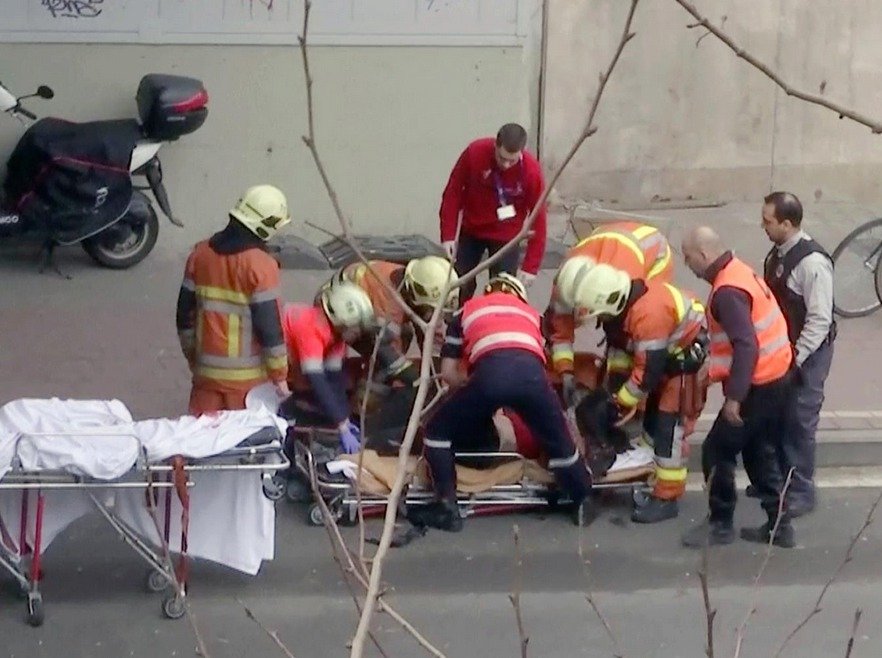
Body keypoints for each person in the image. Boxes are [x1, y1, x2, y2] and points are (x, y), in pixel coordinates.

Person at [414, 273, 593, 532]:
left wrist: (471, 390)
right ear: (519, 296)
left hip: (489, 379)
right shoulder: (531, 314)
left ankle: (447, 506)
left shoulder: (466, 311)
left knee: (437, 433)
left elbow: (450, 375)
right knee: (560, 442)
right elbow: (530, 357)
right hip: (533, 379)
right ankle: (582, 499)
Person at [679, 227, 796, 548]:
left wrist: (734, 399)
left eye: (687, 256)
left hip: (757, 387)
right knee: (758, 451)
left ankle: (720, 524)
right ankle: (780, 525)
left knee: (717, 450)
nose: (685, 262)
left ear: (703, 255)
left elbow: (747, 346)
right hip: (777, 377)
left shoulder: (727, 292)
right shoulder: (739, 272)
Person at [568, 263, 707, 523]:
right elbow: (635, 358)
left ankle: (667, 497)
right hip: (670, 352)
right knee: (655, 417)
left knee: (668, 428)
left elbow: (647, 372)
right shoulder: (629, 303)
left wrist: (619, 402)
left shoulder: (648, 315)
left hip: (685, 359)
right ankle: (647, 461)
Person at [176, 185, 291, 416]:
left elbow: (184, 317)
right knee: (242, 446)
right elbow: (269, 328)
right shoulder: (261, 266)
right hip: (247, 384)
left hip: (206, 376)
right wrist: (280, 376)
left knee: (197, 441)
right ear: (265, 225)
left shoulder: (200, 255)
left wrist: (194, 358)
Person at [761, 192, 835, 517]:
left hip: (808, 354)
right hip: (784, 351)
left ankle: (802, 491)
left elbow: (819, 320)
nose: (762, 226)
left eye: (768, 221)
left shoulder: (812, 264)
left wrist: (796, 358)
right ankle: (782, 479)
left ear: (787, 224)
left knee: (800, 420)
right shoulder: (777, 254)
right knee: (779, 414)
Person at [545, 220, 674, 404]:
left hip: (655, 258)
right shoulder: (565, 285)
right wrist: (565, 371)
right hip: (613, 241)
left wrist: (623, 396)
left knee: (633, 330)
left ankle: (630, 388)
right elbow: (560, 333)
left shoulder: (623, 280)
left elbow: (622, 318)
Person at [439, 123, 547, 301]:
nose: (505, 165)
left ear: (521, 152)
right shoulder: (475, 153)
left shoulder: (531, 172)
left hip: (506, 236)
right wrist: (448, 235)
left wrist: (530, 266)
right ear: (495, 146)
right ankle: (456, 324)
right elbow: (453, 192)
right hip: (472, 230)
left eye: (511, 161)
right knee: (459, 285)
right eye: (501, 158)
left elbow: (539, 219)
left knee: (501, 291)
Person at [322, 256, 458, 389]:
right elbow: (384, 345)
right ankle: (367, 401)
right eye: (431, 308)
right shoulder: (389, 300)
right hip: (338, 311)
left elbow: (430, 330)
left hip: (365, 307)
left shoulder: (414, 285)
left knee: (400, 342)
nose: (436, 314)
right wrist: (409, 375)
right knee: (385, 360)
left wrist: (436, 368)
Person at [281, 280, 376, 454]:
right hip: (274, 368)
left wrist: (344, 419)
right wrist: (341, 425)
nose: (358, 335)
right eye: (357, 329)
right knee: (288, 413)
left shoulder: (337, 335)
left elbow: (335, 378)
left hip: (291, 367)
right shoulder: (310, 326)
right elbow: (317, 379)